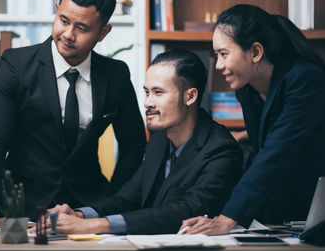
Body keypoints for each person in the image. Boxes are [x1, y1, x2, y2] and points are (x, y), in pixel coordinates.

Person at [0, 0, 146, 229]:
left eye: (81, 28)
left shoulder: (116, 75)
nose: (68, 34)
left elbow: (133, 146)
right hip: (20, 208)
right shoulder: (15, 66)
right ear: (57, 9)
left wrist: (112, 201)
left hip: (87, 209)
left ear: (103, 32)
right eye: (63, 20)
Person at [29, 49, 243, 235]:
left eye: (158, 93)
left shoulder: (222, 150)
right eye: (147, 92)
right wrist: (79, 214)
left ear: (190, 97)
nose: (147, 103)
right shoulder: (160, 139)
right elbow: (127, 198)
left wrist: (92, 226)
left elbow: (184, 211)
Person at [180, 4, 325, 235]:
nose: (218, 65)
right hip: (279, 205)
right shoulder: (247, 87)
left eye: (223, 54)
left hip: (317, 204)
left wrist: (227, 218)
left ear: (256, 52)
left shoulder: (305, 78)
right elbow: (272, 135)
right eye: (215, 55)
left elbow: (276, 151)